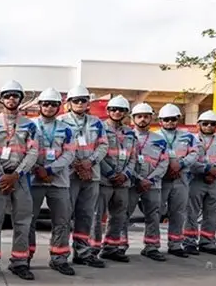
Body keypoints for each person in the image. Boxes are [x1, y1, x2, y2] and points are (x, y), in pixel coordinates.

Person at [0, 80, 38, 281]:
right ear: (1, 99)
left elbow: (33, 152)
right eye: (7, 95)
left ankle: (20, 262)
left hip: (20, 178)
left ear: (20, 99)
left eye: (15, 95)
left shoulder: (30, 125)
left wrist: (17, 175)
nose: (11, 99)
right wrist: (1, 175)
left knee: (22, 221)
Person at [58, 85, 108, 269]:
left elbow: (103, 145)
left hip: (91, 175)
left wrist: (90, 162)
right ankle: (60, 254)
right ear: (69, 103)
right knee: (64, 215)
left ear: (88, 103)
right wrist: (76, 164)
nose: (79, 103)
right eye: (75, 100)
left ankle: (82, 252)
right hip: (69, 175)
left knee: (87, 215)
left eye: (83, 100)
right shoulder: (61, 122)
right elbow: (59, 147)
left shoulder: (97, 123)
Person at [28, 88, 76, 275]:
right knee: (27, 221)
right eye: (45, 104)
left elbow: (69, 154)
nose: (49, 107)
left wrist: (48, 169)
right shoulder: (29, 126)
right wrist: (37, 169)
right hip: (33, 180)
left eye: (53, 104)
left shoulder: (66, 129)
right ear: (39, 105)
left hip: (59, 181)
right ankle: (25, 257)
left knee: (62, 221)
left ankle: (59, 258)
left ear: (59, 107)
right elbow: (23, 151)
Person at [184, 110, 216, 256]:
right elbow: (188, 159)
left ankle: (207, 242)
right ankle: (189, 242)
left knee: (212, 213)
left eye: (213, 124)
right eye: (205, 123)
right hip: (196, 179)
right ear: (198, 125)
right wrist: (206, 170)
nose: (209, 126)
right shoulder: (189, 140)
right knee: (191, 213)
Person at [95, 95, 136, 263]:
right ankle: (92, 248)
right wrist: (111, 173)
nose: (117, 112)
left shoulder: (130, 133)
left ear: (126, 113)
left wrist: (125, 174)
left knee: (119, 216)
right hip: (105, 180)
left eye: (121, 110)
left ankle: (111, 248)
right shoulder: (100, 128)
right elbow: (99, 153)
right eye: (114, 109)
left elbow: (134, 157)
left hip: (123, 182)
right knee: (96, 216)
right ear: (108, 111)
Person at [126, 103, 169, 261]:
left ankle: (151, 247)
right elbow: (124, 161)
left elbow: (164, 163)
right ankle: (119, 246)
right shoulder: (127, 137)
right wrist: (138, 178)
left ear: (151, 118)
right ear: (133, 119)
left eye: (146, 116)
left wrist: (150, 179)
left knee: (153, 216)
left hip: (152, 184)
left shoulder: (160, 139)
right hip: (131, 184)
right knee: (123, 215)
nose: (143, 119)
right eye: (139, 116)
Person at [156, 104, 198, 259]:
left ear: (178, 119)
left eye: (173, 119)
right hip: (162, 178)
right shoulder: (154, 136)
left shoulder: (188, 136)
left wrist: (180, 164)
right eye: (166, 119)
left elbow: (194, 154)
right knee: (156, 212)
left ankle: (175, 245)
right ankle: (152, 245)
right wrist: (167, 168)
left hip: (181, 178)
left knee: (178, 213)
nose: (170, 122)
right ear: (160, 121)